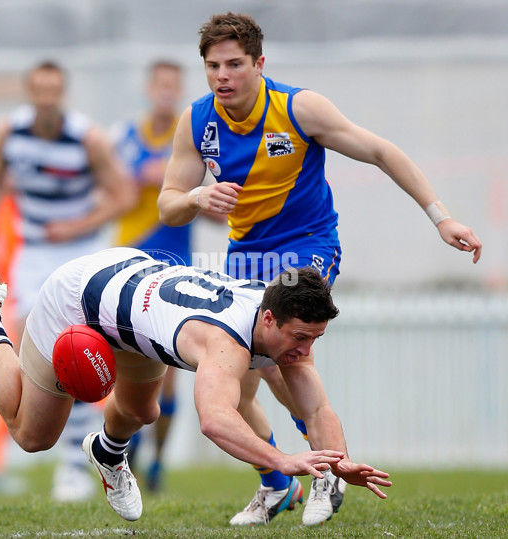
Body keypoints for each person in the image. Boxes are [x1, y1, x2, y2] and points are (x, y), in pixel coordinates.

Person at [156, 12, 482, 526]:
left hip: (306, 248)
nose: (223, 75)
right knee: (236, 384)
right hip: (246, 257)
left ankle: (327, 473)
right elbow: (167, 205)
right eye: (213, 65)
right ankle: (276, 485)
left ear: (259, 63)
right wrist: (197, 195)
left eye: (235, 64)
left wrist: (440, 217)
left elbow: (378, 150)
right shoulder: (197, 121)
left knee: (290, 353)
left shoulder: (297, 107)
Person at [0, 246, 392, 523]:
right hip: (77, 299)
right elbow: (214, 420)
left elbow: (317, 409)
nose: (306, 351)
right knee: (33, 436)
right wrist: (282, 460)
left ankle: (106, 453)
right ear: (269, 320)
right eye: (300, 338)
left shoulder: (278, 313)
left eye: (315, 339)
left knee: (141, 412)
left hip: (131, 291)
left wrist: (338, 465)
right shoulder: (225, 343)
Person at [0, 60, 136, 501]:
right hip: (32, 253)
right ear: (31, 92)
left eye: (54, 91)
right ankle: (43, 445)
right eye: (39, 91)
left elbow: (123, 196)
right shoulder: (9, 132)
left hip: (78, 252)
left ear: (62, 93)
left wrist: (77, 225)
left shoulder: (88, 138)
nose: (46, 99)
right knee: (34, 345)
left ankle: (72, 466)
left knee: (78, 348)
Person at [109, 60, 189, 490]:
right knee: (128, 362)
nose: (165, 91)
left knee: (169, 369)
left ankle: (157, 458)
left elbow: (207, 204)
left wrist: (182, 187)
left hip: (176, 262)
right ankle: (127, 449)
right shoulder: (122, 138)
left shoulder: (189, 137)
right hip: (128, 260)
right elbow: (109, 196)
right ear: (148, 87)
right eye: (159, 83)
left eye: (172, 85)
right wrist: (138, 180)